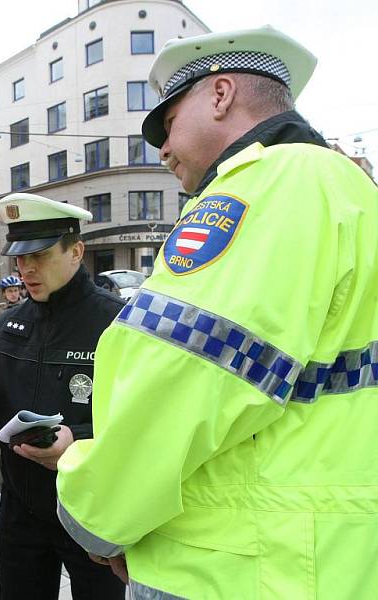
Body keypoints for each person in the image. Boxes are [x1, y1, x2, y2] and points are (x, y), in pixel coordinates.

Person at [55, 26, 378, 599]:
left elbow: (181, 376)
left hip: (234, 562)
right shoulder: (350, 191)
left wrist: (96, 515)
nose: (162, 148)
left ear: (221, 95)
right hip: (325, 553)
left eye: (168, 122)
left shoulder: (268, 183)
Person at [0, 193, 126, 600]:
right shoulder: (11, 322)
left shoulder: (115, 323)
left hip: (89, 504)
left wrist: (75, 439)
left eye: (39, 256)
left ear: (76, 251)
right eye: (20, 259)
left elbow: (140, 421)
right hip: (21, 508)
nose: (26, 269)